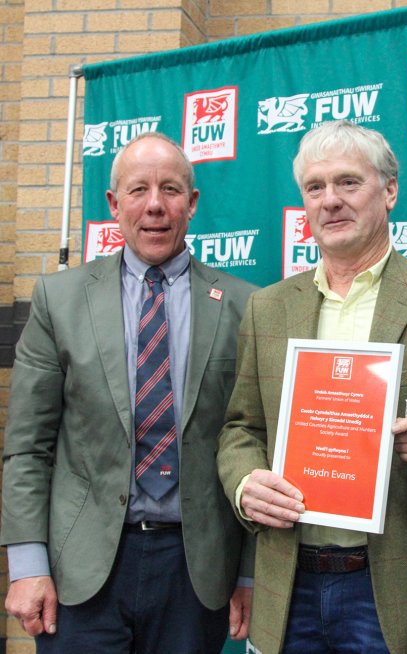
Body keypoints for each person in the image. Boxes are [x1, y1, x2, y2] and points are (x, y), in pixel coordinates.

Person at [216, 120, 407, 654]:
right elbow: (242, 426)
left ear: (390, 190)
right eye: (315, 188)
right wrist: (245, 483)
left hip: (406, 587)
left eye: (348, 183)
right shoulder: (268, 308)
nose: (330, 200)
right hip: (288, 586)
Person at [1, 132, 258, 652]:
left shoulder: (244, 306)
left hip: (196, 571)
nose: (156, 206)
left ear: (193, 203)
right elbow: (27, 445)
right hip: (82, 568)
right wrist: (27, 564)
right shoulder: (60, 299)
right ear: (114, 205)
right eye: (138, 190)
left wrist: (249, 574)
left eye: (170, 189)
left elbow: (256, 444)